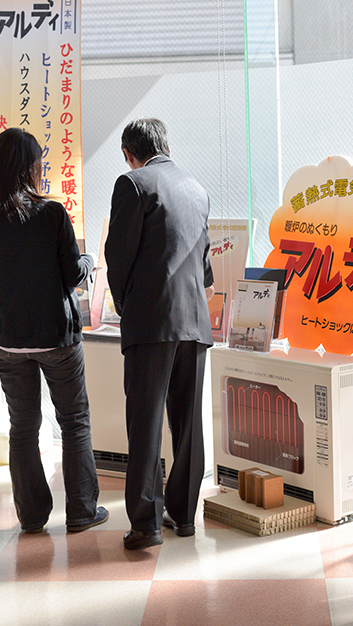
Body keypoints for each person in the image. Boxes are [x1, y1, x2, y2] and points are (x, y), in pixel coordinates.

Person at [0, 128, 108, 534]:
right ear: (28, 168)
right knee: (74, 421)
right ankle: (82, 511)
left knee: (23, 426)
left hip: (7, 341)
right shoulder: (51, 214)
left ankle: (31, 516)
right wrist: (88, 259)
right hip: (57, 339)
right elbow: (73, 275)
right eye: (38, 162)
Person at [105, 117, 214, 551]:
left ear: (129, 154)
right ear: (166, 145)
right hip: (195, 320)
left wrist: (124, 306)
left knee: (146, 421)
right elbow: (204, 262)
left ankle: (146, 523)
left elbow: (118, 257)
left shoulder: (133, 184)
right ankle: (183, 515)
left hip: (152, 321)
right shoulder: (197, 188)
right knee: (188, 422)